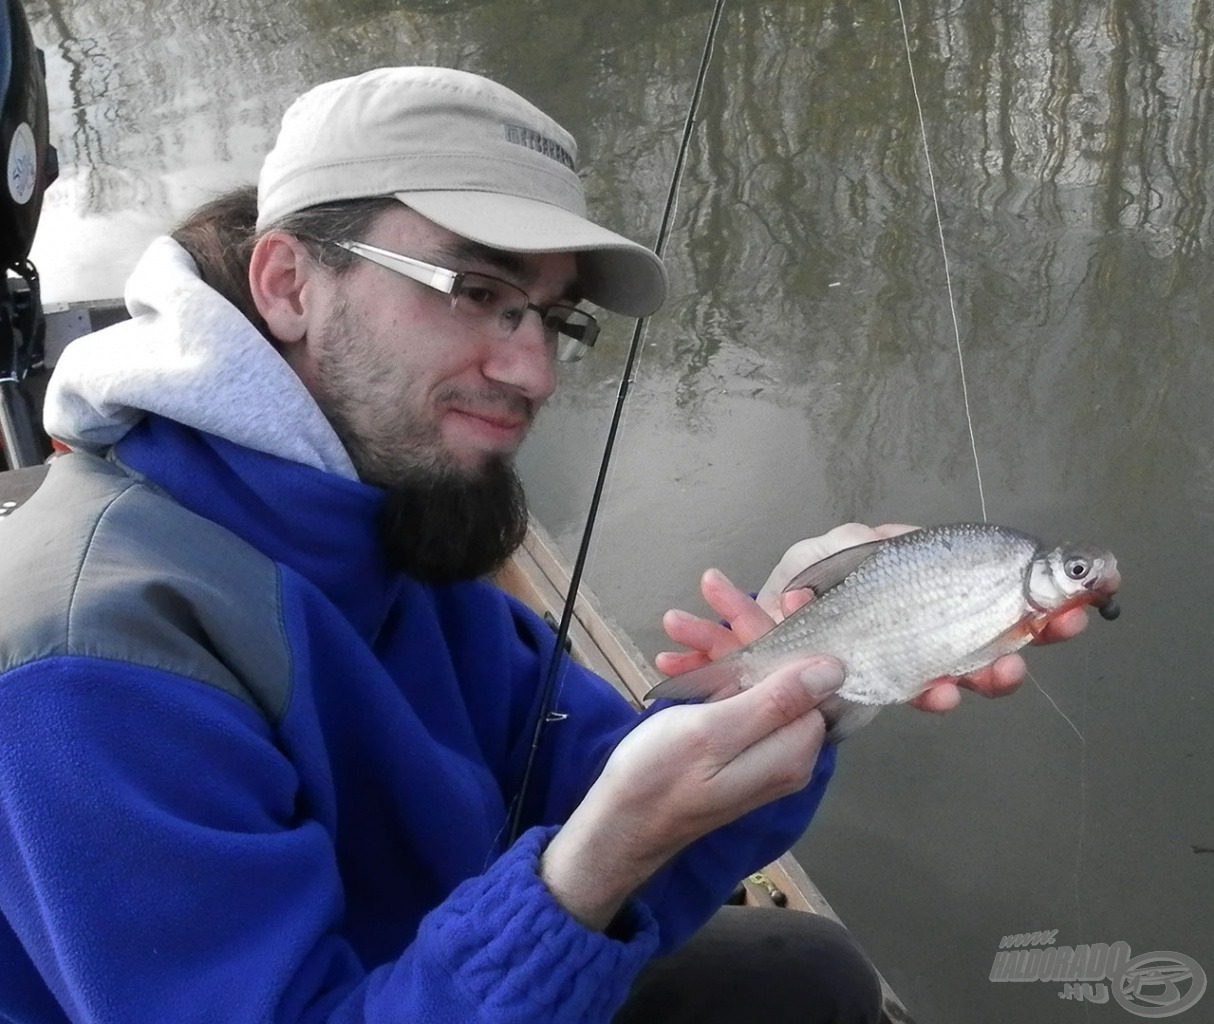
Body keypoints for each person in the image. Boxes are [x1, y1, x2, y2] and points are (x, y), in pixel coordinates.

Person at [0, 67, 1084, 1023]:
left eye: (551, 317)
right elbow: (595, 841)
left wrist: (823, 665)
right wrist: (585, 875)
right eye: (474, 291)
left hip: (448, 974)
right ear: (287, 283)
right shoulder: (89, 668)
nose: (532, 372)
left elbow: (593, 777)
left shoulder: (388, 508)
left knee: (804, 976)